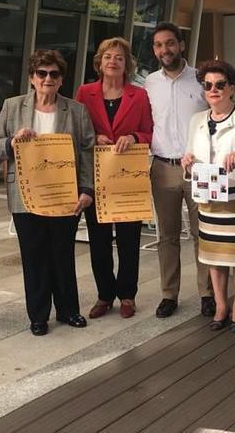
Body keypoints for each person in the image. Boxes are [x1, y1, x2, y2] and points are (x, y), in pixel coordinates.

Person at [0, 49, 95, 336]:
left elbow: (87, 152)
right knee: (34, 256)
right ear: (32, 78)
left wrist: (87, 189)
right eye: (42, 73)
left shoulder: (76, 110)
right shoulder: (13, 107)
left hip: (65, 195)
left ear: (61, 80)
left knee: (62, 254)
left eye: (54, 74)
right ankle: (38, 315)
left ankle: (68, 310)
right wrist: (12, 141)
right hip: (26, 195)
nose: (47, 79)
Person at [182, 60, 235, 332]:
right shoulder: (197, 120)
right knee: (213, 256)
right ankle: (220, 305)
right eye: (208, 85)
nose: (213, 90)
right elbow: (190, 157)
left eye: (220, 84)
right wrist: (187, 161)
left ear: (231, 87)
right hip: (209, 199)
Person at [76, 38, 153, 319]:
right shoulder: (85, 93)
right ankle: (104, 295)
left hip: (127, 178)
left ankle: (127, 295)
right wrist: (92, 136)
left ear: (127, 63)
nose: (113, 61)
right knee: (98, 239)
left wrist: (133, 137)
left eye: (119, 57)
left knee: (128, 239)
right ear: (100, 61)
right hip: (96, 177)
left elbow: (149, 133)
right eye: (108, 56)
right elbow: (77, 130)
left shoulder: (139, 95)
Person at [144, 22, 214, 318]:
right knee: (167, 236)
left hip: (199, 168)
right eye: (159, 45)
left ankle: (207, 293)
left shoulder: (201, 79)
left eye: (170, 43)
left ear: (181, 45)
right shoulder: (149, 83)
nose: (165, 50)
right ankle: (169, 294)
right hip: (162, 168)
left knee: (204, 234)